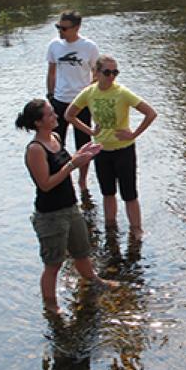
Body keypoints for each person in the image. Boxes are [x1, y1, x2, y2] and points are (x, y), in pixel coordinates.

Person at [15, 98, 105, 311]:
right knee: (53, 264)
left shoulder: (55, 138)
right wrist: (74, 164)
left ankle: (95, 281)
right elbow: (45, 184)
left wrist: (80, 154)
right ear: (38, 122)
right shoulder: (35, 149)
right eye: (50, 115)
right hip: (50, 214)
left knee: (82, 252)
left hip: (70, 206)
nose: (56, 116)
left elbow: (63, 165)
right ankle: (51, 306)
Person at [65, 55, 157, 240]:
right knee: (108, 192)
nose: (111, 76)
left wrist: (133, 134)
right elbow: (69, 115)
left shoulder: (122, 92)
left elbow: (150, 113)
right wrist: (90, 132)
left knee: (129, 193)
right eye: (107, 72)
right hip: (102, 150)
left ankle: (136, 229)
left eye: (115, 72)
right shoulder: (89, 93)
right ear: (97, 73)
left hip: (124, 150)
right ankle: (110, 227)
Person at [46, 10, 100, 194]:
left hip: (81, 103)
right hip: (59, 101)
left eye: (64, 28)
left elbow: (97, 73)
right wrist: (50, 95)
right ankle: (60, 177)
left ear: (76, 28)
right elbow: (51, 72)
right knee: (55, 142)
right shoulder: (54, 45)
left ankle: (82, 181)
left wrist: (88, 94)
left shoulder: (89, 47)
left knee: (84, 143)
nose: (60, 31)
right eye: (58, 27)